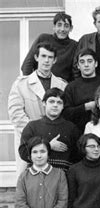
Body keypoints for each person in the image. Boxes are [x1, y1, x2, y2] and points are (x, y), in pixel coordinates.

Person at [9, 42, 68, 172]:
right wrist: (43, 140)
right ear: (36, 57)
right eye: (43, 56)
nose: (46, 61)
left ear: (55, 60)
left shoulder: (62, 85)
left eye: (50, 57)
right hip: (29, 144)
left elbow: (65, 114)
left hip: (56, 144)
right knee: (29, 184)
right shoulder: (21, 84)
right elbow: (16, 116)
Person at [19, 87, 81, 171]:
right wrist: (48, 146)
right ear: (44, 103)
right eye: (51, 101)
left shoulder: (72, 128)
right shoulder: (32, 126)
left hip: (62, 178)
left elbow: (78, 157)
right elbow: (23, 153)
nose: (55, 105)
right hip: (36, 177)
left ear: (63, 106)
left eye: (59, 102)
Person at [63, 48, 100, 132]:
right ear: (78, 66)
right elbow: (66, 113)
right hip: (78, 132)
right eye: (82, 62)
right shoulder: (71, 87)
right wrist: (86, 107)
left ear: (96, 63)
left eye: (89, 61)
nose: (86, 65)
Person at [21, 12, 78, 82]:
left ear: (71, 28)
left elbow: (75, 72)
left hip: (61, 88)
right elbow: (27, 65)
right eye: (59, 25)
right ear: (54, 27)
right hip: (39, 85)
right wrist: (28, 85)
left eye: (66, 26)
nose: (62, 29)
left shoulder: (74, 46)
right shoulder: (43, 39)